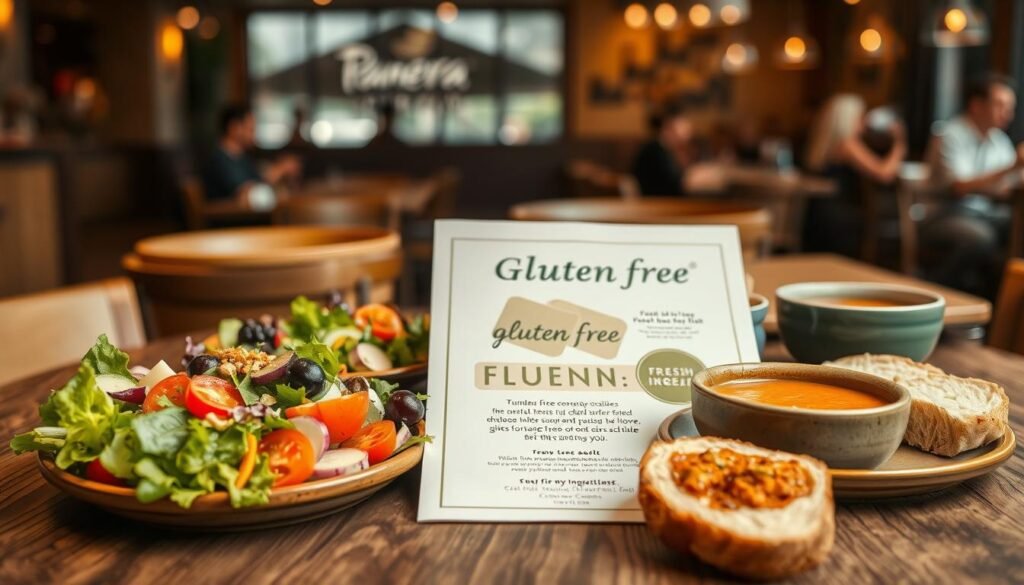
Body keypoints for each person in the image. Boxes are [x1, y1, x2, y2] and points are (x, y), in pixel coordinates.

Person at [923, 74, 1024, 298]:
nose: (1008, 113)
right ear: (976, 105)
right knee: (980, 237)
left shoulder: (999, 141)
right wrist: (1012, 167)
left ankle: (1003, 305)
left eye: (1010, 107)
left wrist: (1015, 172)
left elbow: (1009, 186)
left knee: (1016, 227)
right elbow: (960, 187)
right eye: (1000, 104)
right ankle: (937, 293)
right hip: (943, 214)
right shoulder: (950, 135)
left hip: (983, 214)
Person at [803, 94, 907, 257]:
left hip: (818, 210)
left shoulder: (824, 144)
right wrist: (899, 144)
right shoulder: (847, 144)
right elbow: (884, 173)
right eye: (860, 117)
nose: (863, 122)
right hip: (838, 217)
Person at [202, 104, 301, 208]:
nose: (254, 135)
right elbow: (246, 196)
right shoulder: (220, 160)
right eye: (251, 129)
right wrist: (277, 172)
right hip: (231, 220)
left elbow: (256, 185)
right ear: (234, 128)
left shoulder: (242, 159)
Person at [631, 107, 694, 196]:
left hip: (660, 202)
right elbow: (674, 184)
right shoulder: (654, 151)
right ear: (668, 129)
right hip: (655, 203)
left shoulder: (661, 148)